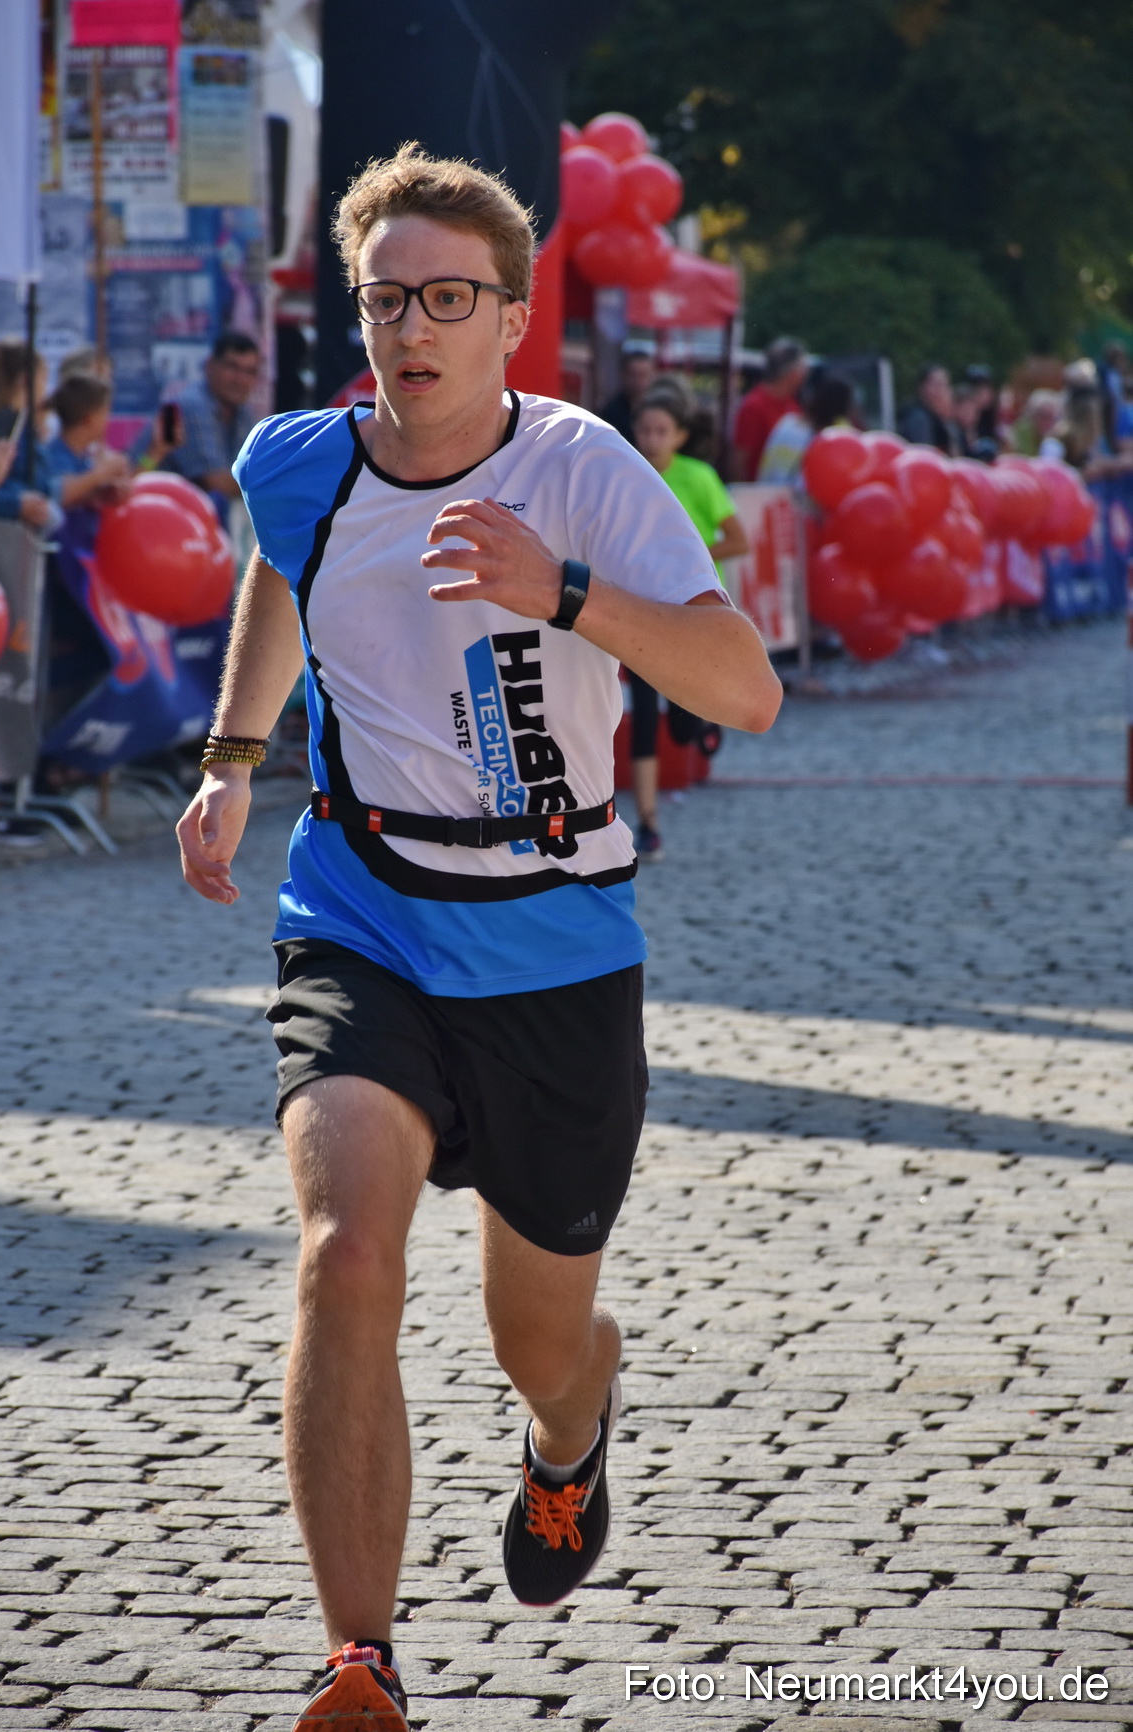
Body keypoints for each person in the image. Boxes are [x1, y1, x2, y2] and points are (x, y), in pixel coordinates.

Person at [175, 142, 781, 1732]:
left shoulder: (583, 471)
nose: (410, 329)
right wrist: (234, 766)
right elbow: (275, 576)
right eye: (385, 300)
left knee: (542, 1338)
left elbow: (745, 688)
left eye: (448, 298)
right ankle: (357, 1660)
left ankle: (571, 1438)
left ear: (509, 319)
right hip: (361, 913)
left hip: (554, 949)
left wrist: (561, 593)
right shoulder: (298, 461)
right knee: (344, 1250)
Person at [628, 384, 749, 860]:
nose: (652, 439)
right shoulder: (625, 474)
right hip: (638, 611)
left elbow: (739, 541)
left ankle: (703, 721)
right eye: (644, 430)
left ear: (679, 436)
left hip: (694, 611)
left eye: (662, 431)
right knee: (642, 718)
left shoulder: (699, 477)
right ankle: (649, 823)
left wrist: (689, 555)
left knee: (681, 726)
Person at [138, 329, 260, 512]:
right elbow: (215, 482)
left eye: (249, 372)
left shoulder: (243, 412)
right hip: (148, 514)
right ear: (210, 365)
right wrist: (274, 483)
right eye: (233, 367)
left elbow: (249, 473)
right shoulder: (191, 405)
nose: (240, 380)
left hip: (183, 517)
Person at [0, 340, 62, 531]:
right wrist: (16, 503)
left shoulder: (25, 427)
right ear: (26, 381)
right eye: (43, 379)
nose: (46, 389)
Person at [45, 374, 131, 510]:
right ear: (89, 418)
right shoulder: (54, 454)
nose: (108, 420)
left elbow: (80, 495)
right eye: (105, 412)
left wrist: (101, 494)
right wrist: (103, 472)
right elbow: (59, 493)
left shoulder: (85, 457)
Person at [757, 367, 855, 487]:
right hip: (804, 503)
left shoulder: (787, 423)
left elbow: (766, 471)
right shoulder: (841, 438)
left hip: (769, 499)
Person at [730, 335, 808, 481]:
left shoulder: (793, 404)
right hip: (760, 495)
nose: (806, 372)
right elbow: (739, 459)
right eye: (802, 366)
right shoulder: (754, 406)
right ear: (792, 372)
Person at [598, 340, 656, 444]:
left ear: (653, 375)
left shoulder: (661, 409)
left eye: (643, 375)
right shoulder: (611, 412)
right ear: (622, 375)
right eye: (633, 375)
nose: (638, 381)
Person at [898, 362, 956, 454]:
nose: (941, 391)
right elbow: (924, 456)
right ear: (922, 387)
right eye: (937, 385)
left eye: (944, 385)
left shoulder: (937, 418)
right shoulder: (918, 418)